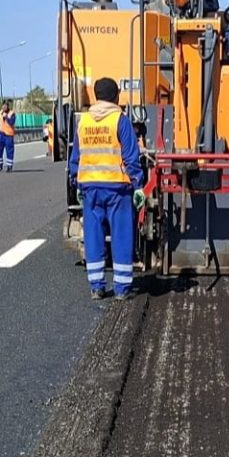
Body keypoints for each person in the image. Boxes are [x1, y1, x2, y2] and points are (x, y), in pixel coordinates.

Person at [68, 78, 145, 300]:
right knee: (121, 236)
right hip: (117, 189)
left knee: (93, 237)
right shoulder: (119, 120)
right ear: (116, 96)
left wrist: (76, 183)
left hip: (90, 189)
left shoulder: (83, 122)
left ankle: (96, 287)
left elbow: (76, 157)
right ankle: (121, 289)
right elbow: (131, 156)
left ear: (95, 96)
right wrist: (138, 185)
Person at [0, 100, 17, 172]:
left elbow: (11, 123)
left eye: (5, 106)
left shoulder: (12, 114)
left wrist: (6, 117)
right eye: (3, 106)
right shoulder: (0, 113)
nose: (4, 107)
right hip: (1, 134)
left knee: (9, 151)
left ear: (8, 106)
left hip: (9, 135)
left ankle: (9, 167)